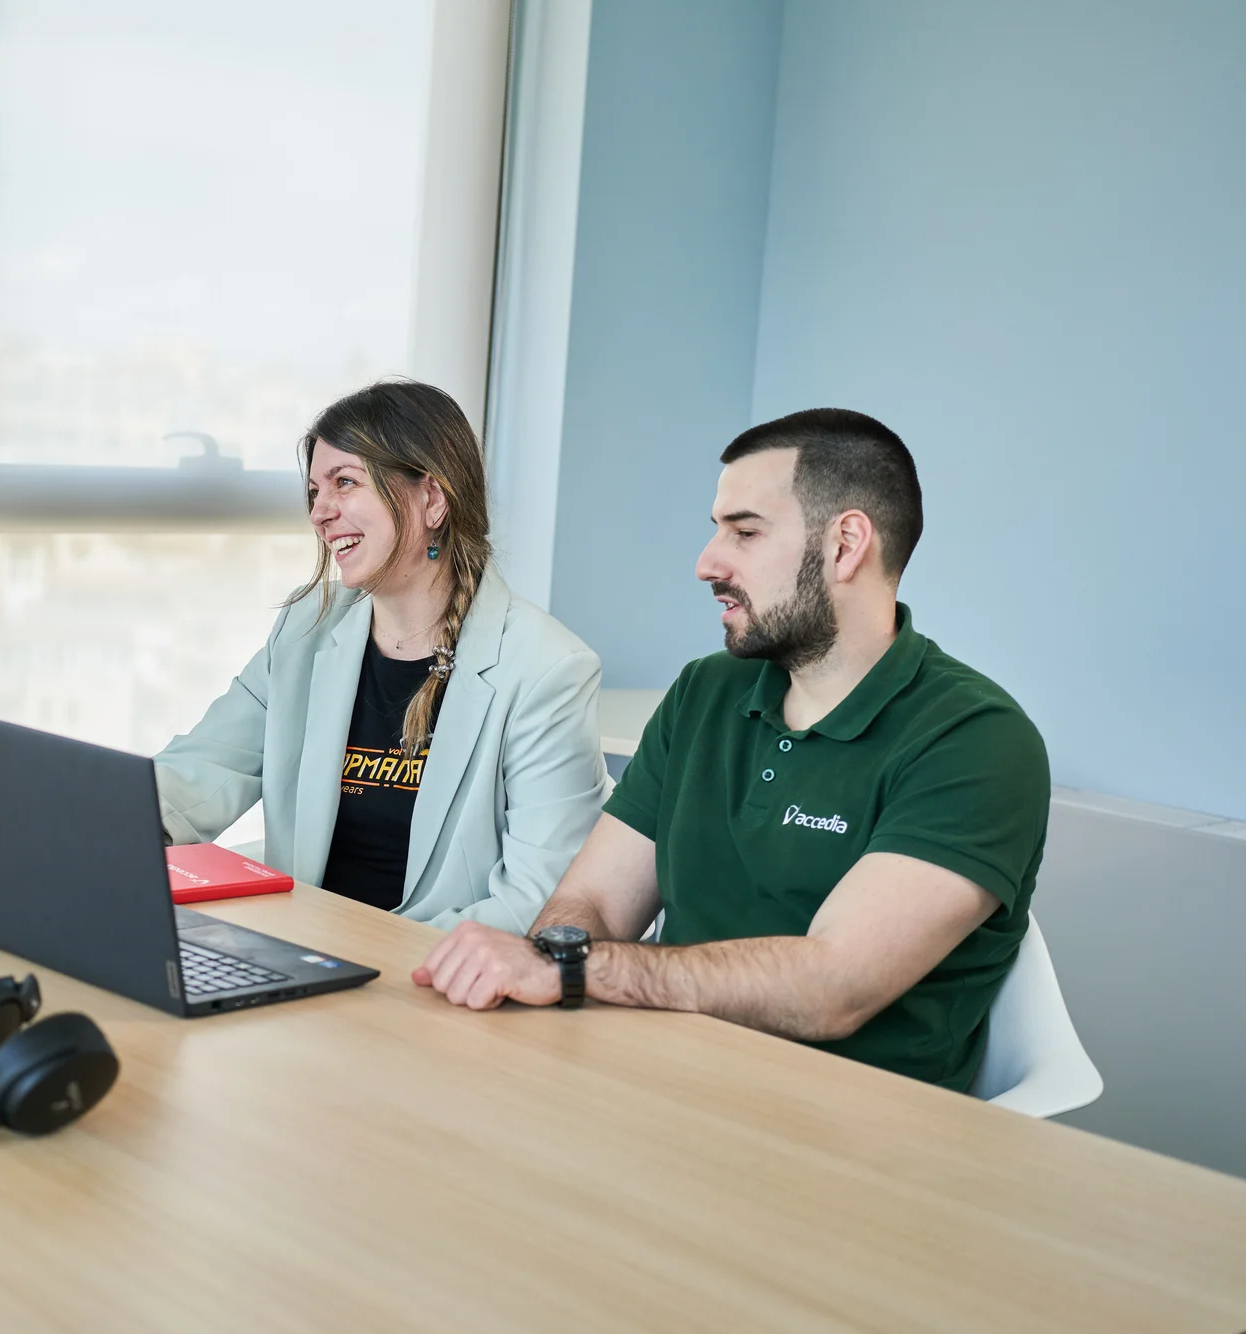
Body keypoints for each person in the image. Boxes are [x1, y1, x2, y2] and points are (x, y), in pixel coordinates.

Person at [414, 408, 1050, 1092]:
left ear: (846, 544)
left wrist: (574, 971)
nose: (705, 563)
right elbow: (593, 903)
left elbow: (832, 987)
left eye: (744, 532)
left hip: (845, 1142)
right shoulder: (707, 693)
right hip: (650, 1086)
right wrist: (552, 961)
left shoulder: (975, 738)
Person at [153, 380, 609, 932]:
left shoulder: (545, 668)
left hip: (439, 982)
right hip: (303, 953)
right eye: (315, 491)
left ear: (432, 499)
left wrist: (381, 965)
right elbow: (202, 771)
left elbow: (537, 899)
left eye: (344, 483)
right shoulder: (305, 632)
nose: (320, 512)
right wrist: (91, 818)